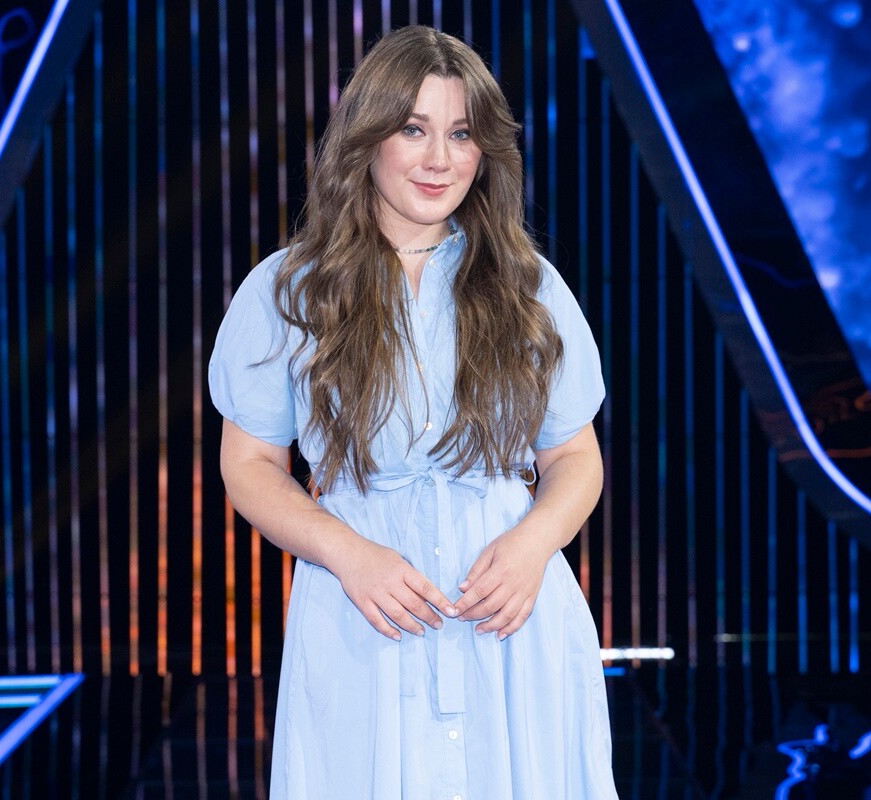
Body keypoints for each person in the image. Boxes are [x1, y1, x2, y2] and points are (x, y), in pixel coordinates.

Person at [210, 25, 618, 799]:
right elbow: (250, 466)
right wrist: (348, 553)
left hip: (511, 616)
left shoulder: (529, 285)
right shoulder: (287, 290)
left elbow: (574, 456)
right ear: (366, 139)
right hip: (363, 614)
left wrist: (533, 544)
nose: (439, 158)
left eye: (461, 133)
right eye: (413, 129)